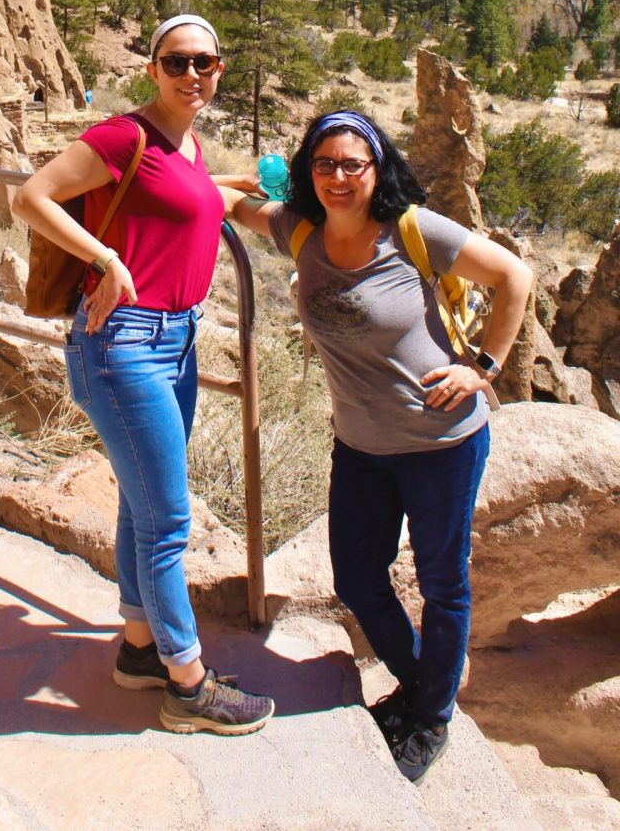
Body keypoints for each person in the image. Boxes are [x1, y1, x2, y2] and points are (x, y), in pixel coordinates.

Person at [222, 109, 531, 782]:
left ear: (376, 168)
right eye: (323, 163)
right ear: (309, 171)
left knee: (444, 582)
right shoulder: (297, 229)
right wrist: (227, 176)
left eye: (351, 164)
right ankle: (424, 685)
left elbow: (515, 278)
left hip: (441, 441)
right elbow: (221, 199)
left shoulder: (412, 230)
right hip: (360, 445)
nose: (337, 176)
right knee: (358, 577)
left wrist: (482, 366)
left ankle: (430, 716)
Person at [12, 14, 274, 736]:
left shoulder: (186, 145)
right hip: (123, 342)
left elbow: (197, 196)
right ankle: (189, 683)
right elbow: (28, 196)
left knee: (141, 504)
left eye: (208, 62)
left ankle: (137, 647)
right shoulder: (124, 135)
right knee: (167, 523)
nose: (196, 73)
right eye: (180, 60)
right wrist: (106, 258)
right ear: (153, 67)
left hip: (177, 341)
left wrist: (257, 193)